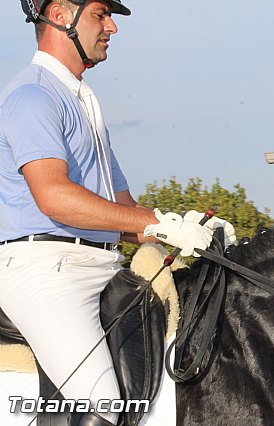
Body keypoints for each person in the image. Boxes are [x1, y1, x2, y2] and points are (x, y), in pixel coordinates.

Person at [0, 1, 235, 424]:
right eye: (99, 14)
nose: (111, 26)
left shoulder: (84, 102)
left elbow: (121, 212)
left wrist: (184, 227)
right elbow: (53, 196)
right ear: (58, 14)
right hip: (46, 275)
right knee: (106, 410)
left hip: (99, 265)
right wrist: (157, 225)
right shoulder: (33, 96)